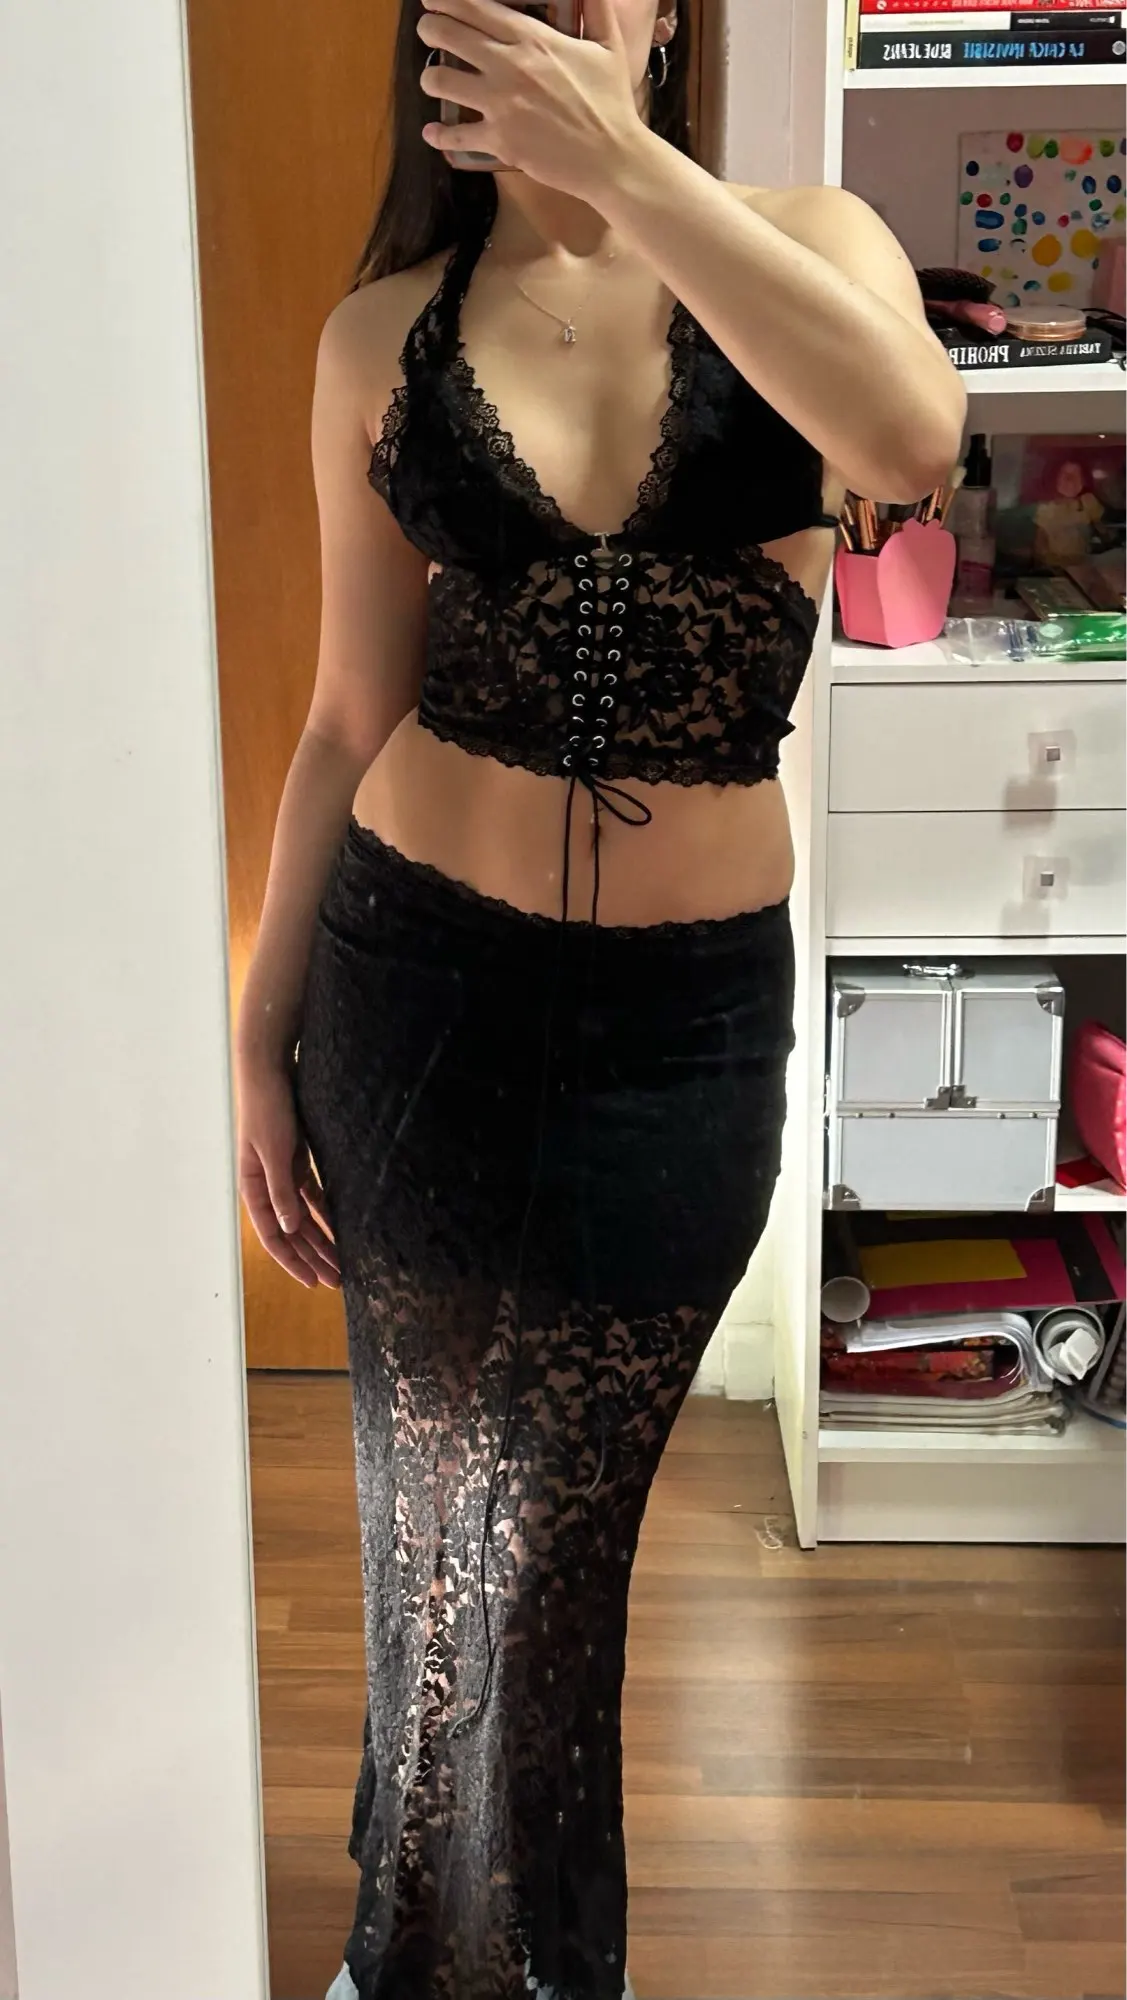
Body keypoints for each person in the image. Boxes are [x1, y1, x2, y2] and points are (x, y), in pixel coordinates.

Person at [233, 3, 965, 1995]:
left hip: (676, 1036)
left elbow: (910, 446)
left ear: (665, 18)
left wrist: (628, 169)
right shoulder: (381, 336)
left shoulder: (803, 248)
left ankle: (516, 1952)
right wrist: (256, 1035)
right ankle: (432, 1957)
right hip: (413, 994)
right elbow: (344, 716)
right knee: (429, 1520)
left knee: (551, 1546)